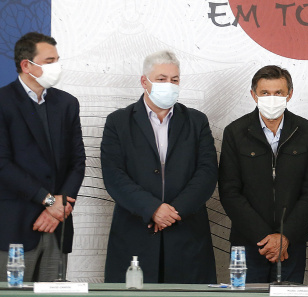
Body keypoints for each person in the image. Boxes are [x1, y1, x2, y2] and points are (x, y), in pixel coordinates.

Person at [101, 50, 217, 283]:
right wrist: (153, 209)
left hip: (186, 236)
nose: (169, 85)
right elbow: (114, 176)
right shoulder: (118, 122)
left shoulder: (197, 121)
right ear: (144, 81)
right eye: (162, 79)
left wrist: (172, 212)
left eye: (174, 80)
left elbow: (207, 173)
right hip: (135, 234)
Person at [218, 65, 308, 284]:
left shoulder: (306, 131)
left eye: (278, 93)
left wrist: (284, 237)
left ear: (289, 94)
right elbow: (229, 192)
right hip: (247, 242)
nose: (271, 98)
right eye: (265, 93)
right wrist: (265, 238)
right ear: (253, 95)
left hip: (291, 244)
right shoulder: (235, 132)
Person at [0, 32, 85, 281]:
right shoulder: (3, 102)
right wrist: (48, 201)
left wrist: (57, 208)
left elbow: (77, 162)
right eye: (49, 61)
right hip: (15, 228)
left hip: (57, 226)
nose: (57, 67)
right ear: (27, 65)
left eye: (57, 60)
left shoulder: (68, 103)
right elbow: (3, 165)